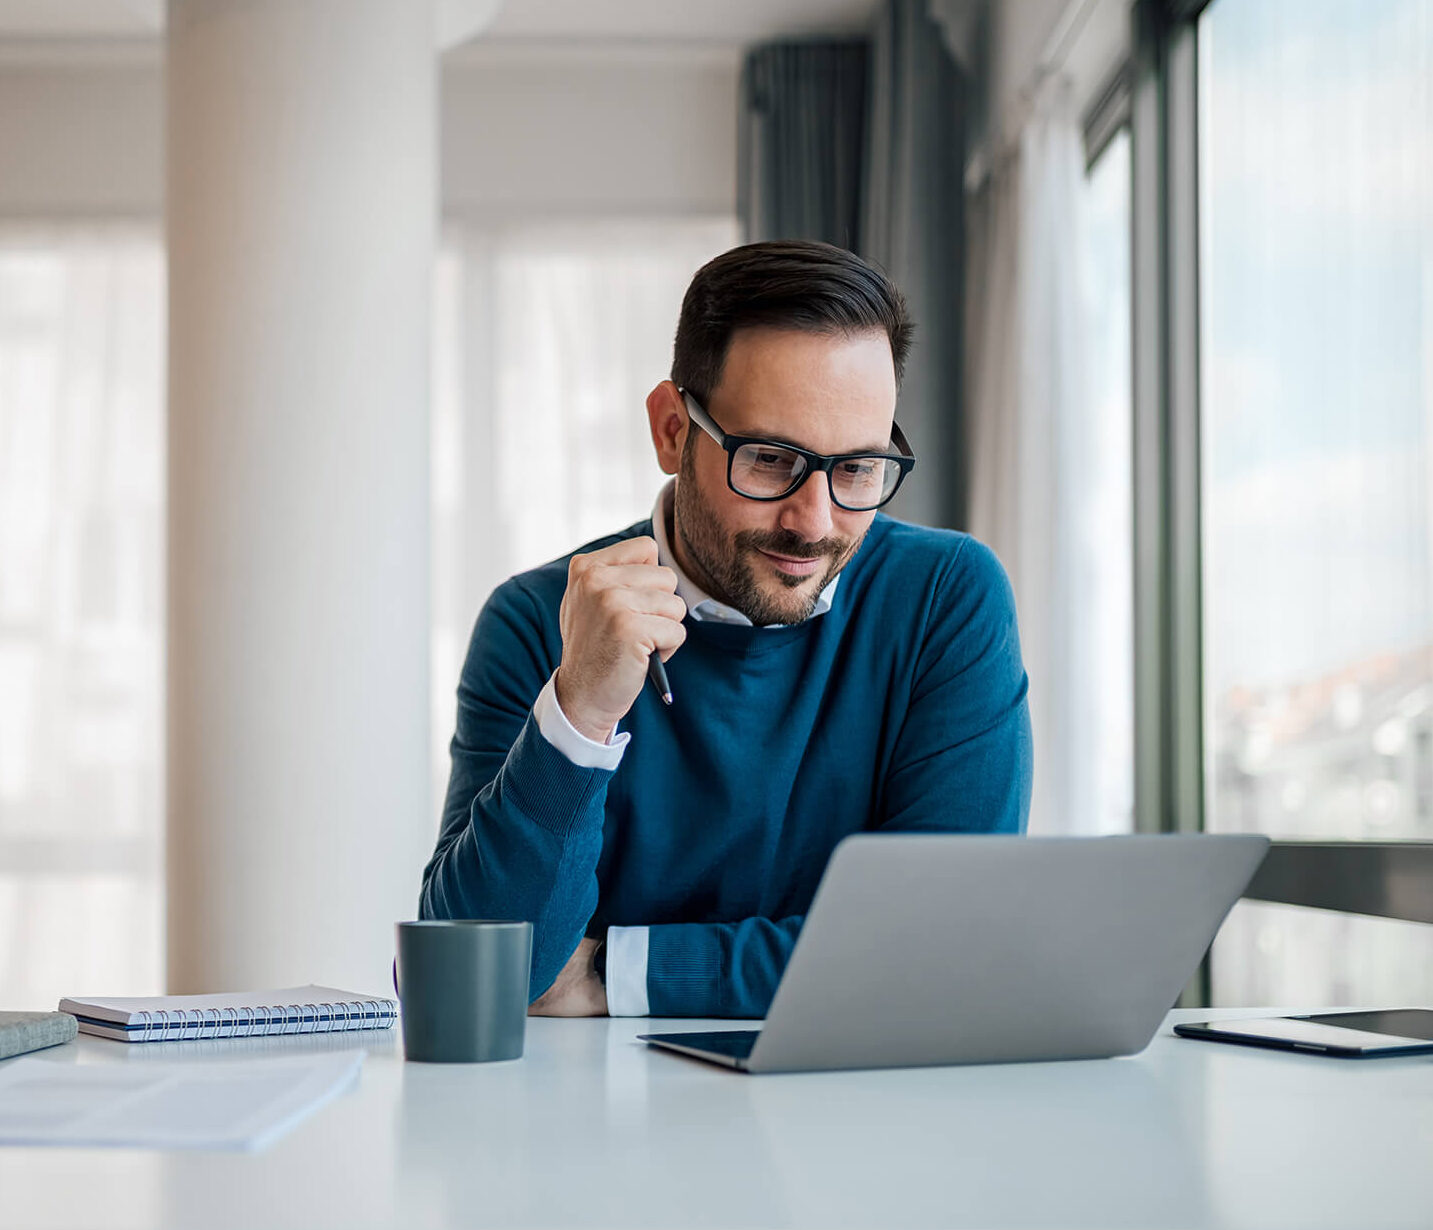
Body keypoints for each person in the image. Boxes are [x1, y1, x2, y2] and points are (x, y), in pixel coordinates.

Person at [420, 239, 1032, 1019]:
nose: (814, 524)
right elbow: (473, 974)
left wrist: (619, 972)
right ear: (673, 430)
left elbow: (945, 948)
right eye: (772, 459)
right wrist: (579, 713)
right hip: (590, 1128)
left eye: (857, 469)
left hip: (865, 1117)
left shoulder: (946, 596)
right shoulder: (537, 620)